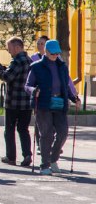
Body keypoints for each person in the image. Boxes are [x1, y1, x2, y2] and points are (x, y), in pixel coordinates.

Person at [25, 39, 80, 175]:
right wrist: (34, 91)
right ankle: (45, 165)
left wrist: (74, 98)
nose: (55, 56)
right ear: (47, 51)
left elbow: (65, 85)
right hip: (43, 104)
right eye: (53, 53)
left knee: (63, 133)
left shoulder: (62, 66)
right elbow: (27, 85)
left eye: (57, 53)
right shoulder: (36, 66)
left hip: (60, 103)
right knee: (47, 134)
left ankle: (53, 159)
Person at [0, 37, 33, 166]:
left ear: (17, 47)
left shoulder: (17, 61)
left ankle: (11, 157)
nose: (9, 51)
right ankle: (27, 154)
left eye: (9, 49)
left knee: (9, 130)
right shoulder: (30, 60)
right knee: (23, 129)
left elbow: (7, 76)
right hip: (27, 103)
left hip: (13, 102)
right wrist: (3, 67)